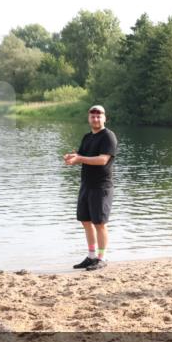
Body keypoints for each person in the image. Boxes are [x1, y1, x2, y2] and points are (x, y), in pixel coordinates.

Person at [64, 105, 118, 271]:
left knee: (99, 223)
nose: (95, 119)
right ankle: (91, 256)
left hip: (101, 186)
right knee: (85, 221)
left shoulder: (108, 136)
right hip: (86, 185)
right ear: (89, 118)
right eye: (92, 116)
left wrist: (80, 158)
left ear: (104, 118)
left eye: (98, 116)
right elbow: (81, 156)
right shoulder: (87, 137)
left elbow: (102, 160)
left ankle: (102, 258)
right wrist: (72, 157)